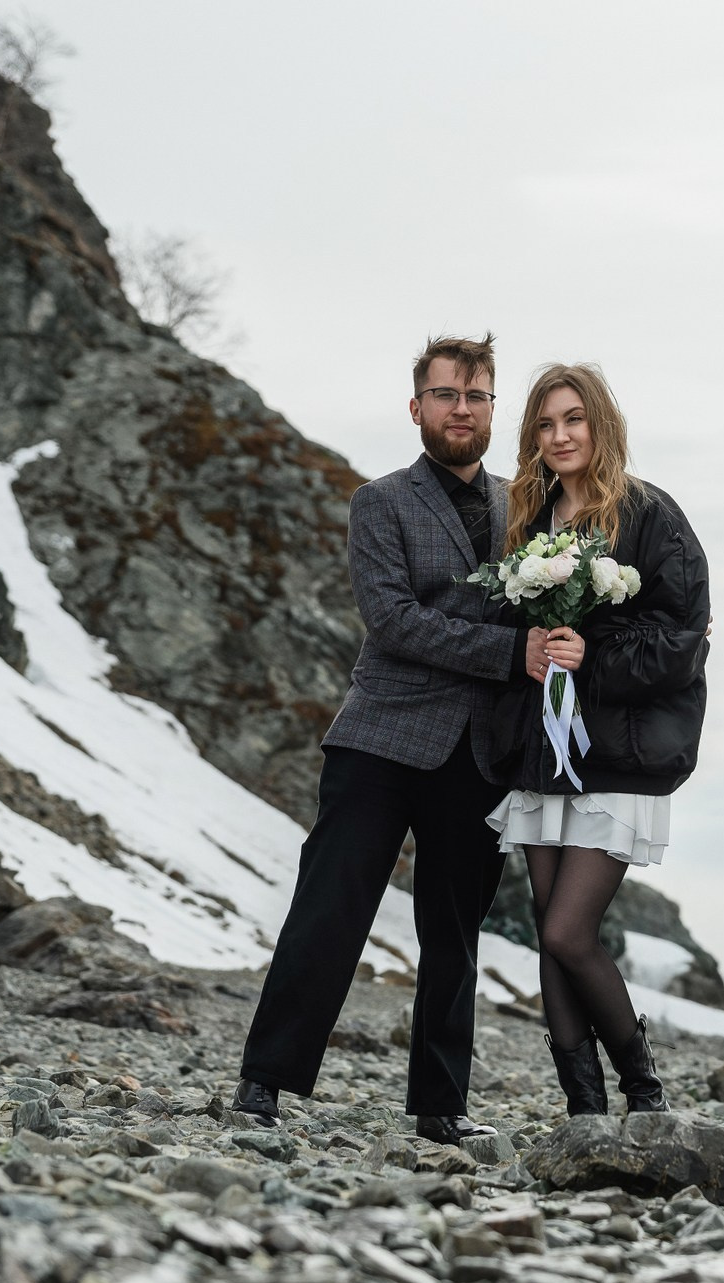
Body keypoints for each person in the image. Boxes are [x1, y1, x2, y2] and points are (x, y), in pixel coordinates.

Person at [233, 334, 534, 1140]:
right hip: (381, 738)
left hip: (480, 750)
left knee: (454, 934)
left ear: (493, 409)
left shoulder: (527, 507)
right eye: (445, 395)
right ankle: (265, 1080)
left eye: (475, 396)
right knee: (329, 909)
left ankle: (441, 1106)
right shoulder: (380, 502)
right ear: (417, 407)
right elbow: (394, 620)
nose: (461, 409)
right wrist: (512, 653)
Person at [491, 363, 712, 1116]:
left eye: (573, 419)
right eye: (545, 424)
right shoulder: (530, 522)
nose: (560, 436)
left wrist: (595, 656)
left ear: (601, 424)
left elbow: (683, 638)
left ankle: (644, 1094)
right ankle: (584, 1108)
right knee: (549, 935)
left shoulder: (649, 514)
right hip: (544, 751)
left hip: (614, 753)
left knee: (567, 930)